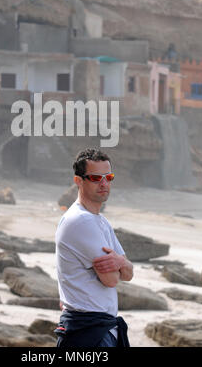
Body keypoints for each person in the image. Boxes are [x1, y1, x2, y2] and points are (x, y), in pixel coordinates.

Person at [55, 148, 133, 348]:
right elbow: (112, 279)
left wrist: (121, 262)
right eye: (96, 178)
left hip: (101, 328)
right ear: (79, 181)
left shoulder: (100, 221)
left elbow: (128, 273)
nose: (104, 183)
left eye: (108, 177)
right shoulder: (81, 221)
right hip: (87, 332)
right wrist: (120, 265)